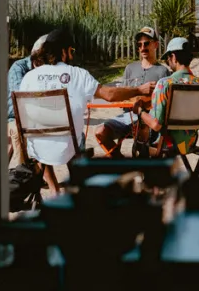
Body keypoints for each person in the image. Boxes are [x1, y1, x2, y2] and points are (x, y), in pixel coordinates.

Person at [19, 28, 153, 192]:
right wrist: (138, 90)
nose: (72, 55)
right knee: (76, 136)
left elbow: (24, 113)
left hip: (37, 147)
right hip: (67, 148)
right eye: (72, 51)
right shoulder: (76, 74)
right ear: (64, 50)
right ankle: (78, 185)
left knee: (45, 136)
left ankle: (55, 190)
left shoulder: (29, 77)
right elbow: (109, 95)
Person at [94, 26, 169, 157]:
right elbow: (122, 96)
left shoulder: (162, 71)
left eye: (146, 43)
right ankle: (121, 162)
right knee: (100, 131)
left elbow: (163, 102)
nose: (143, 48)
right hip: (127, 116)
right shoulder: (130, 68)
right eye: (139, 45)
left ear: (155, 44)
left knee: (143, 129)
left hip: (148, 118)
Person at [131, 37, 199, 157]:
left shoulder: (165, 84)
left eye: (167, 58)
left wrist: (139, 111)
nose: (168, 62)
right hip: (189, 143)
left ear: (173, 57)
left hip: (169, 144)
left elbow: (155, 125)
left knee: (140, 138)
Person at [6, 34, 47, 164]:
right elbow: (20, 98)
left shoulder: (47, 70)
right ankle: (21, 174)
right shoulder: (19, 68)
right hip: (15, 116)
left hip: (36, 115)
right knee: (19, 132)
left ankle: (39, 173)